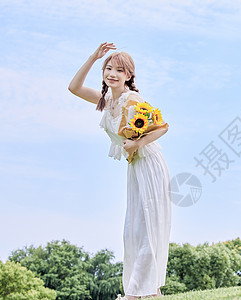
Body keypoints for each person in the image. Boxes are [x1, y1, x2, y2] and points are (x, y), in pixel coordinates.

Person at [68, 42, 172, 299]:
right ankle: (152, 292)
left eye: (119, 70)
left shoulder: (132, 99)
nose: (112, 74)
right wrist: (94, 56)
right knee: (133, 232)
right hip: (135, 168)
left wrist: (137, 142)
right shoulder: (105, 100)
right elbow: (74, 88)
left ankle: (134, 294)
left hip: (150, 164)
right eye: (108, 69)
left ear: (129, 76)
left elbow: (162, 128)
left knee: (148, 228)